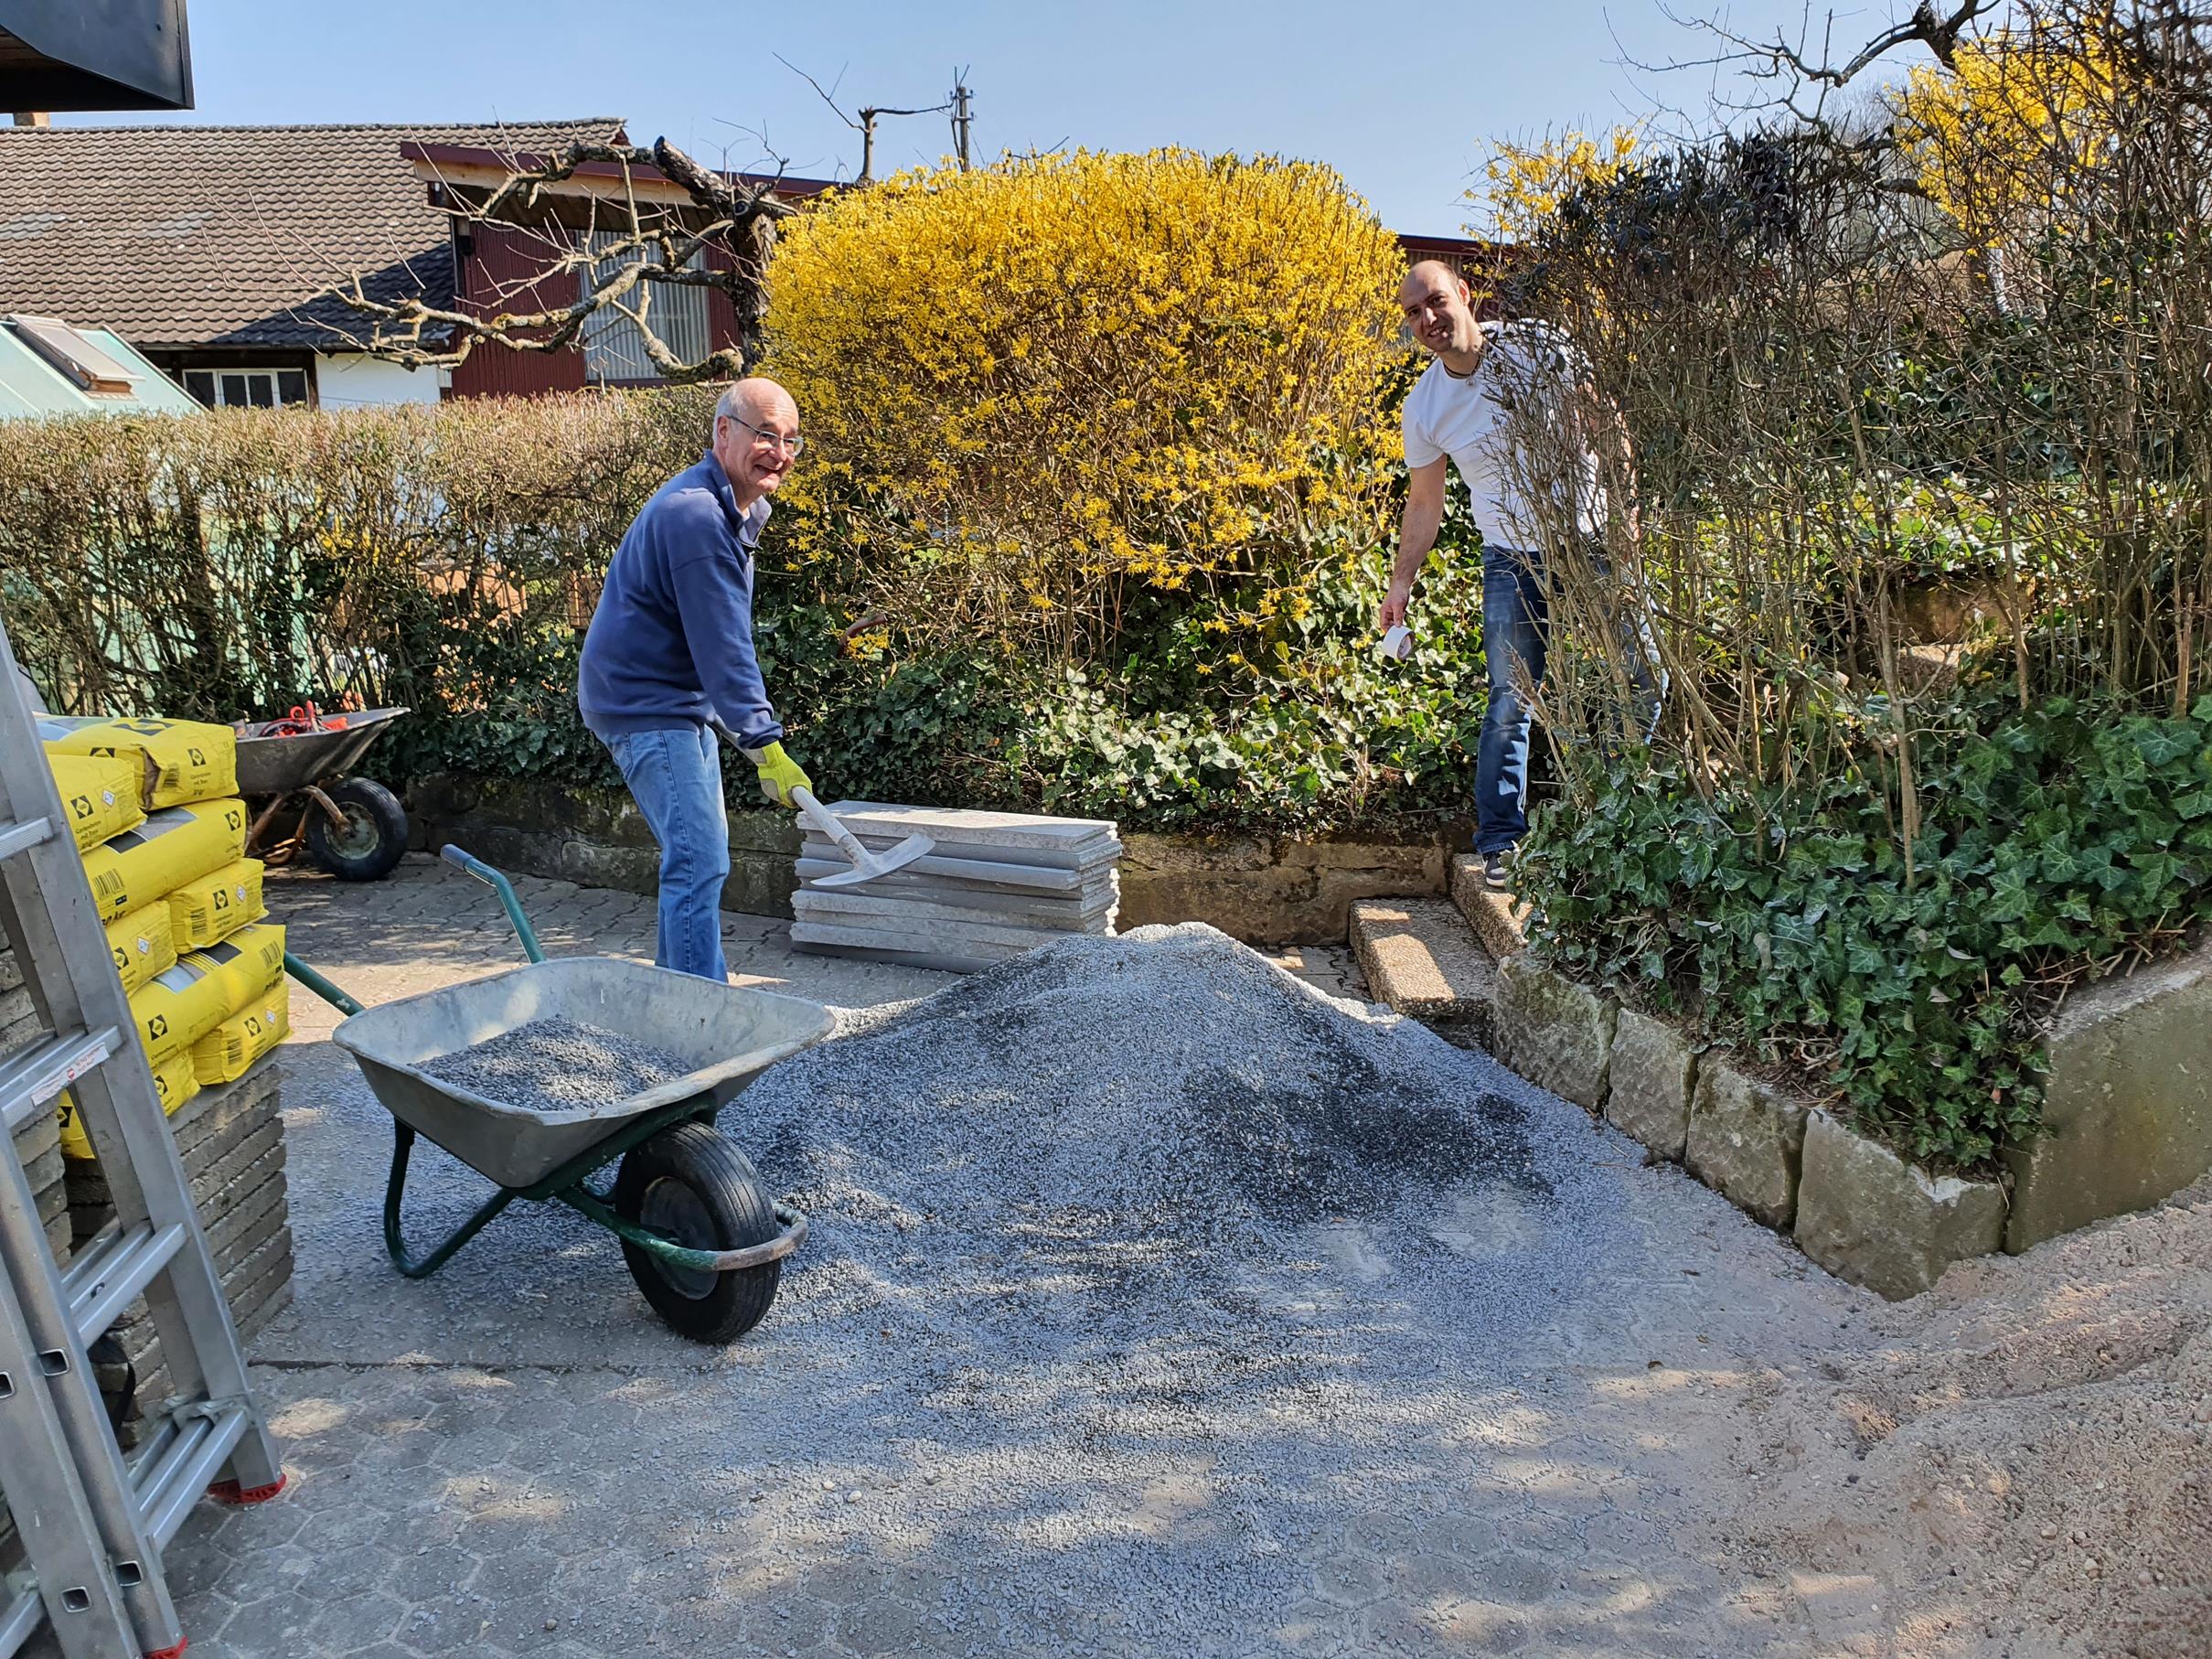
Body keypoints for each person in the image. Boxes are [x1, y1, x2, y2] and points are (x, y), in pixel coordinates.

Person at [1379, 260, 1658, 892]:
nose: (1427, 319)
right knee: (1511, 700)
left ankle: (1608, 812)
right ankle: (1501, 841)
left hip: (1592, 543)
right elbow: (1424, 503)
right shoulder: (1424, 407)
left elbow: (1608, 427)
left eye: (1435, 301)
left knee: (1643, 674)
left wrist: (1627, 521)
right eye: (1413, 312)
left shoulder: (1541, 347)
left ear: (1464, 295)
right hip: (1510, 558)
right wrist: (1400, 583)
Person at [578, 378, 813, 980]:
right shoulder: (697, 517)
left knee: (699, 857)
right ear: (723, 432)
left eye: (790, 440)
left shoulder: (728, 508)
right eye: (765, 435)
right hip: (644, 703)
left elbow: (714, 639)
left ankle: (679, 996)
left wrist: (747, 731)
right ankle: (697, 1010)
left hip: (675, 701)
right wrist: (763, 742)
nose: (779, 453)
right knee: (698, 858)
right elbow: (722, 642)